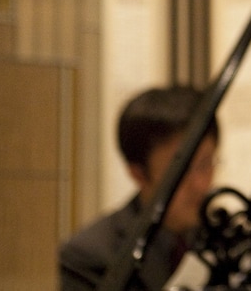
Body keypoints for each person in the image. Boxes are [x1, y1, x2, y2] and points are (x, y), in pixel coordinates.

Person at [59, 85, 219, 291]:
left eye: (205, 164)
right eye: (181, 169)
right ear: (138, 174)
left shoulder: (226, 239)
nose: (200, 184)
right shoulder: (88, 256)